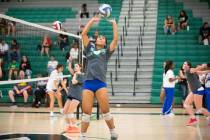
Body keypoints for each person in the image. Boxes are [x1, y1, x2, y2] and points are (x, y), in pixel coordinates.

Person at [80, 16, 118, 140]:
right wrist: (92, 21)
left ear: (104, 43)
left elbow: (115, 39)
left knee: (106, 111)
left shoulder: (106, 52)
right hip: (88, 83)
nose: (101, 38)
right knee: (86, 113)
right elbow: (84, 34)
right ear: (96, 41)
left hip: (100, 83)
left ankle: (112, 132)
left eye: (103, 38)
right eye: (99, 37)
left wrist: (114, 24)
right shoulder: (89, 48)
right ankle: (83, 136)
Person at [183, 61, 210, 126]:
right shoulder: (188, 71)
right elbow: (202, 72)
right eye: (183, 64)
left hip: (198, 90)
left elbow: (196, 69)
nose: (183, 65)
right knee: (186, 104)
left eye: (185, 64)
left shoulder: (190, 70)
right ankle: (193, 118)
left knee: (199, 109)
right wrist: (208, 71)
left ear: (188, 66)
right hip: (194, 90)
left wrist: (203, 66)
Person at [63, 61, 84, 133]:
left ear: (80, 68)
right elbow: (69, 68)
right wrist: (70, 61)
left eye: (77, 66)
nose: (75, 67)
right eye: (74, 66)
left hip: (77, 95)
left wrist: (75, 75)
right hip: (71, 95)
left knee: (70, 112)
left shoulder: (81, 75)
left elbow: (74, 82)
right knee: (65, 111)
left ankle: (75, 126)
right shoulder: (73, 74)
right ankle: (69, 126)